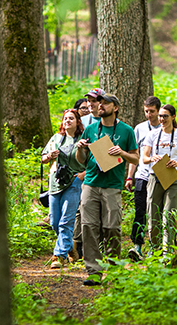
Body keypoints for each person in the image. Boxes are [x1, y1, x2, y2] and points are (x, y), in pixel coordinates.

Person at [75, 93, 138, 286]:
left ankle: (115, 269)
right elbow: (81, 161)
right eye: (98, 103)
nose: (99, 106)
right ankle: (93, 271)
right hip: (91, 183)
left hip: (112, 186)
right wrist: (80, 148)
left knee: (111, 227)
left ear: (115, 107)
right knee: (88, 226)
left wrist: (122, 153)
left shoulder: (126, 131)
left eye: (105, 103)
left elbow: (136, 159)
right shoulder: (92, 129)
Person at [142, 103, 177, 256]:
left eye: (165, 116)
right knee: (153, 214)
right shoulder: (152, 135)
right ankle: (154, 248)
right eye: (160, 116)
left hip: (172, 178)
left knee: (169, 214)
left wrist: (176, 162)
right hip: (154, 177)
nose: (162, 119)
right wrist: (152, 158)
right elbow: (144, 158)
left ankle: (167, 250)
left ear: (173, 117)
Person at [40, 109, 86, 269]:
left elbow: (93, 161)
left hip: (73, 182)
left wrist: (83, 174)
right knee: (54, 222)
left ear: (77, 121)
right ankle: (70, 246)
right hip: (55, 183)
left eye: (71, 118)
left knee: (66, 221)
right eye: (65, 118)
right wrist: (49, 156)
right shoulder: (56, 138)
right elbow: (43, 158)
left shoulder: (82, 139)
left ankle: (58, 256)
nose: (67, 121)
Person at [126, 96, 162, 261]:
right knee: (140, 212)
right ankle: (137, 246)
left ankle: (157, 246)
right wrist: (129, 176)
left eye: (152, 111)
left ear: (158, 111)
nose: (149, 115)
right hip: (142, 175)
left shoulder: (167, 128)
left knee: (157, 212)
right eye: (146, 111)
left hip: (160, 176)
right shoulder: (139, 128)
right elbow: (135, 154)